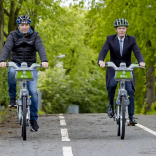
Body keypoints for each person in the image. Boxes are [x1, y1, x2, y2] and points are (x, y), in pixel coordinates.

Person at [0, 15, 48, 131]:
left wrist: (44, 60)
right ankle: (12, 98)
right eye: (22, 25)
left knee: (33, 92)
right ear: (18, 26)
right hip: (16, 64)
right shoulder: (12, 35)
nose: (25, 27)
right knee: (11, 73)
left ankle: (33, 120)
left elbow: (40, 47)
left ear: (29, 25)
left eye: (27, 25)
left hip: (31, 65)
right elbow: (7, 47)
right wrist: (2, 60)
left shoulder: (35, 35)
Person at [98, 18, 145, 125]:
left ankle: (131, 117)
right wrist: (101, 60)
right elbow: (104, 50)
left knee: (129, 90)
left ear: (126, 29)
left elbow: (137, 51)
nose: (122, 30)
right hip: (113, 67)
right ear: (116, 29)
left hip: (127, 68)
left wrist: (141, 61)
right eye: (119, 28)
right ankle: (111, 106)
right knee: (112, 85)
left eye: (123, 28)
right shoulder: (110, 39)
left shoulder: (132, 40)